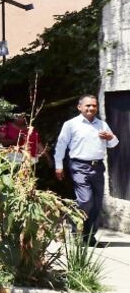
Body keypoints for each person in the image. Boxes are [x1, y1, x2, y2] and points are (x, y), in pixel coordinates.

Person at [54, 94, 119, 244]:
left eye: (94, 105)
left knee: (96, 203)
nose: (91, 108)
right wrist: (58, 166)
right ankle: (76, 230)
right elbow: (61, 145)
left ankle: (89, 237)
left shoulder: (102, 125)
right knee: (85, 200)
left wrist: (110, 137)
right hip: (79, 166)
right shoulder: (71, 124)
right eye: (88, 105)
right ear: (80, 107)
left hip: (98, 167)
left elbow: (114, 143)